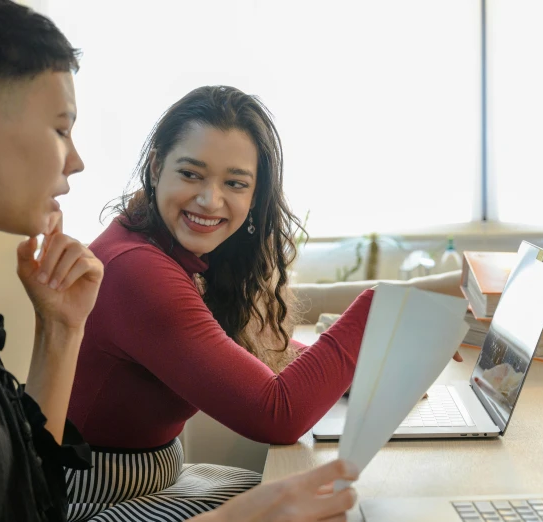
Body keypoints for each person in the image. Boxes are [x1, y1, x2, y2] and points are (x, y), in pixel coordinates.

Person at [0, 2, 360, 521]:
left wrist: (62, 328)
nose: (76, 160)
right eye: (60, 129)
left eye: (234, 183)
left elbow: (28, 495)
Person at [66, 84, 463, 520]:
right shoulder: (137, 269)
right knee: (342, 509)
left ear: (254, 196)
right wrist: (379, 310)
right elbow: (277, 415)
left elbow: (253, 354)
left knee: (345, 500)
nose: (210, 200)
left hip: (160, 479)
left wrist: (363, 370)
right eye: (191, 174)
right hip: (96, 501)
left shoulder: (174, 250)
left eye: (234, 183)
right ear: (157, 166)